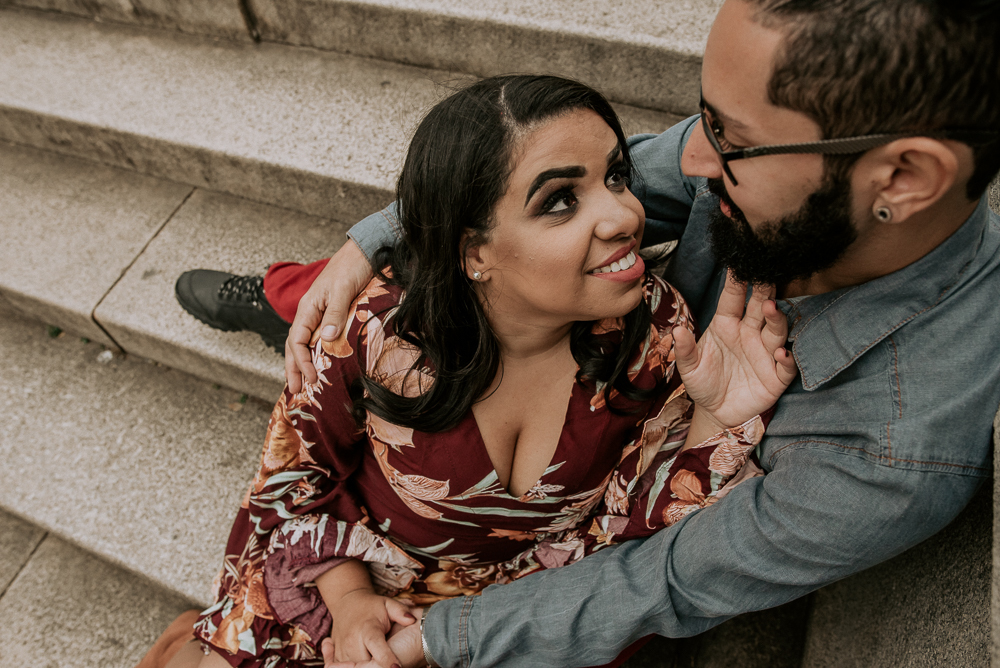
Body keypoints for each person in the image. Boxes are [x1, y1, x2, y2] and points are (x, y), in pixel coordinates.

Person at [177, 0, 1000, 665]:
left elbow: (647, 577)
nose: (694, 163)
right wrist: (369, 245)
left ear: (903, 177)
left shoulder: (892, 457)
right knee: (365, 310)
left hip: (553, 524)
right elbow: (536, 177)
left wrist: (716, 427)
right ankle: (290, 297)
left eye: (733, 141)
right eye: (706, 122)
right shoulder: (783, 155)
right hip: (463, 331)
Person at [159, 75, 796, 668]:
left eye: (618, 176)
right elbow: (296, 480)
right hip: (347, 585)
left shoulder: (658, 337)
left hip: (516, 620)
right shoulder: (377, 335)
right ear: (475, 252)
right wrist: (350, 602)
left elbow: (627, 532)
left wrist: (717, 416)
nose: (627, 216)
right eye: (559, 202)